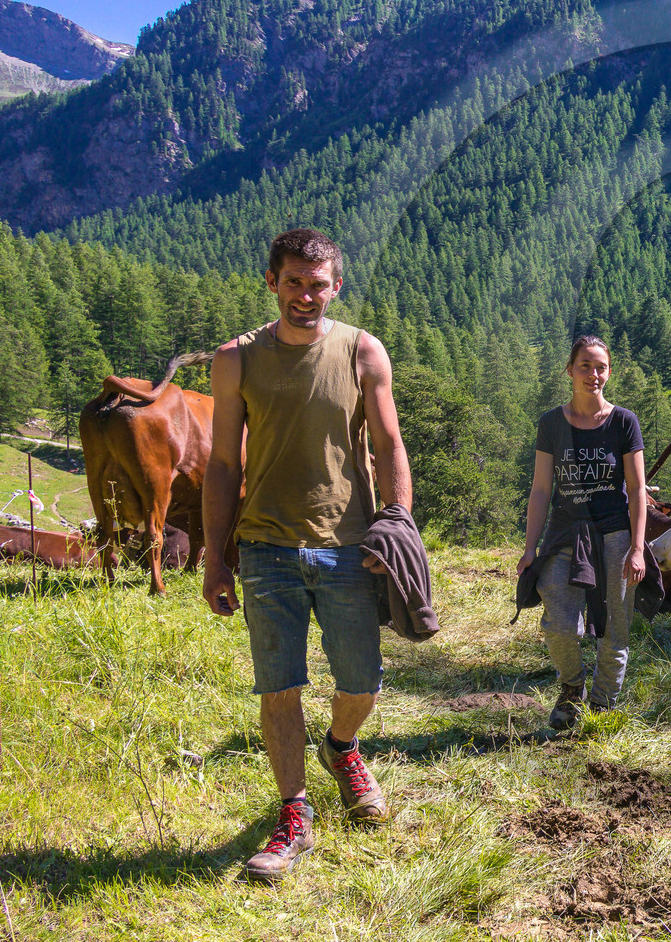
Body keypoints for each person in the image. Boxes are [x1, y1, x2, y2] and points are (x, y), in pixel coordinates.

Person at [201, 227, 412, 884]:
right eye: (293, 281)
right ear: (272, 282)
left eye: (317, 284)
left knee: (362, 683)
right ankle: (294, 815)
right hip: (265, 547)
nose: (305, 295)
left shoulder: (361, 352)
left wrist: (397, 526)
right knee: (279, 686)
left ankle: (342, 748)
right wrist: (215, 559)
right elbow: (220, 465)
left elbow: (390, 446)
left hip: (350, 548)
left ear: (336, 287)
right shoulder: (236, 359)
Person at [516, 335, 647, 730]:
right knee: (557, 623)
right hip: (564, 535)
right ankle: (572, 689)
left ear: (609, 372)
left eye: (601, 366)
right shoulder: (551, 424)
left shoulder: (624, 421)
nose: (594, 374)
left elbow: (638, 489)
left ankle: (604, 703)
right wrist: (529, 548)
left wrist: (638, 548)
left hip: (614, 535)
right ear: (570, 370)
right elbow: (540, 490)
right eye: (585, 365)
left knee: (615, 624)